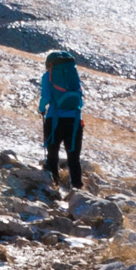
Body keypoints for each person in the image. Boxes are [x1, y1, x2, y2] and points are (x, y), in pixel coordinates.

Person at [37, 50, 85, 187]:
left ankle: (54, 185)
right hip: (75, 120)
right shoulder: (73, 76)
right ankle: (77, 188)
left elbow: (45, 97)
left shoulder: (48, 76)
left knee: (52, 154)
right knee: (74, 157)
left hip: (55, 119)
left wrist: (41, 109)